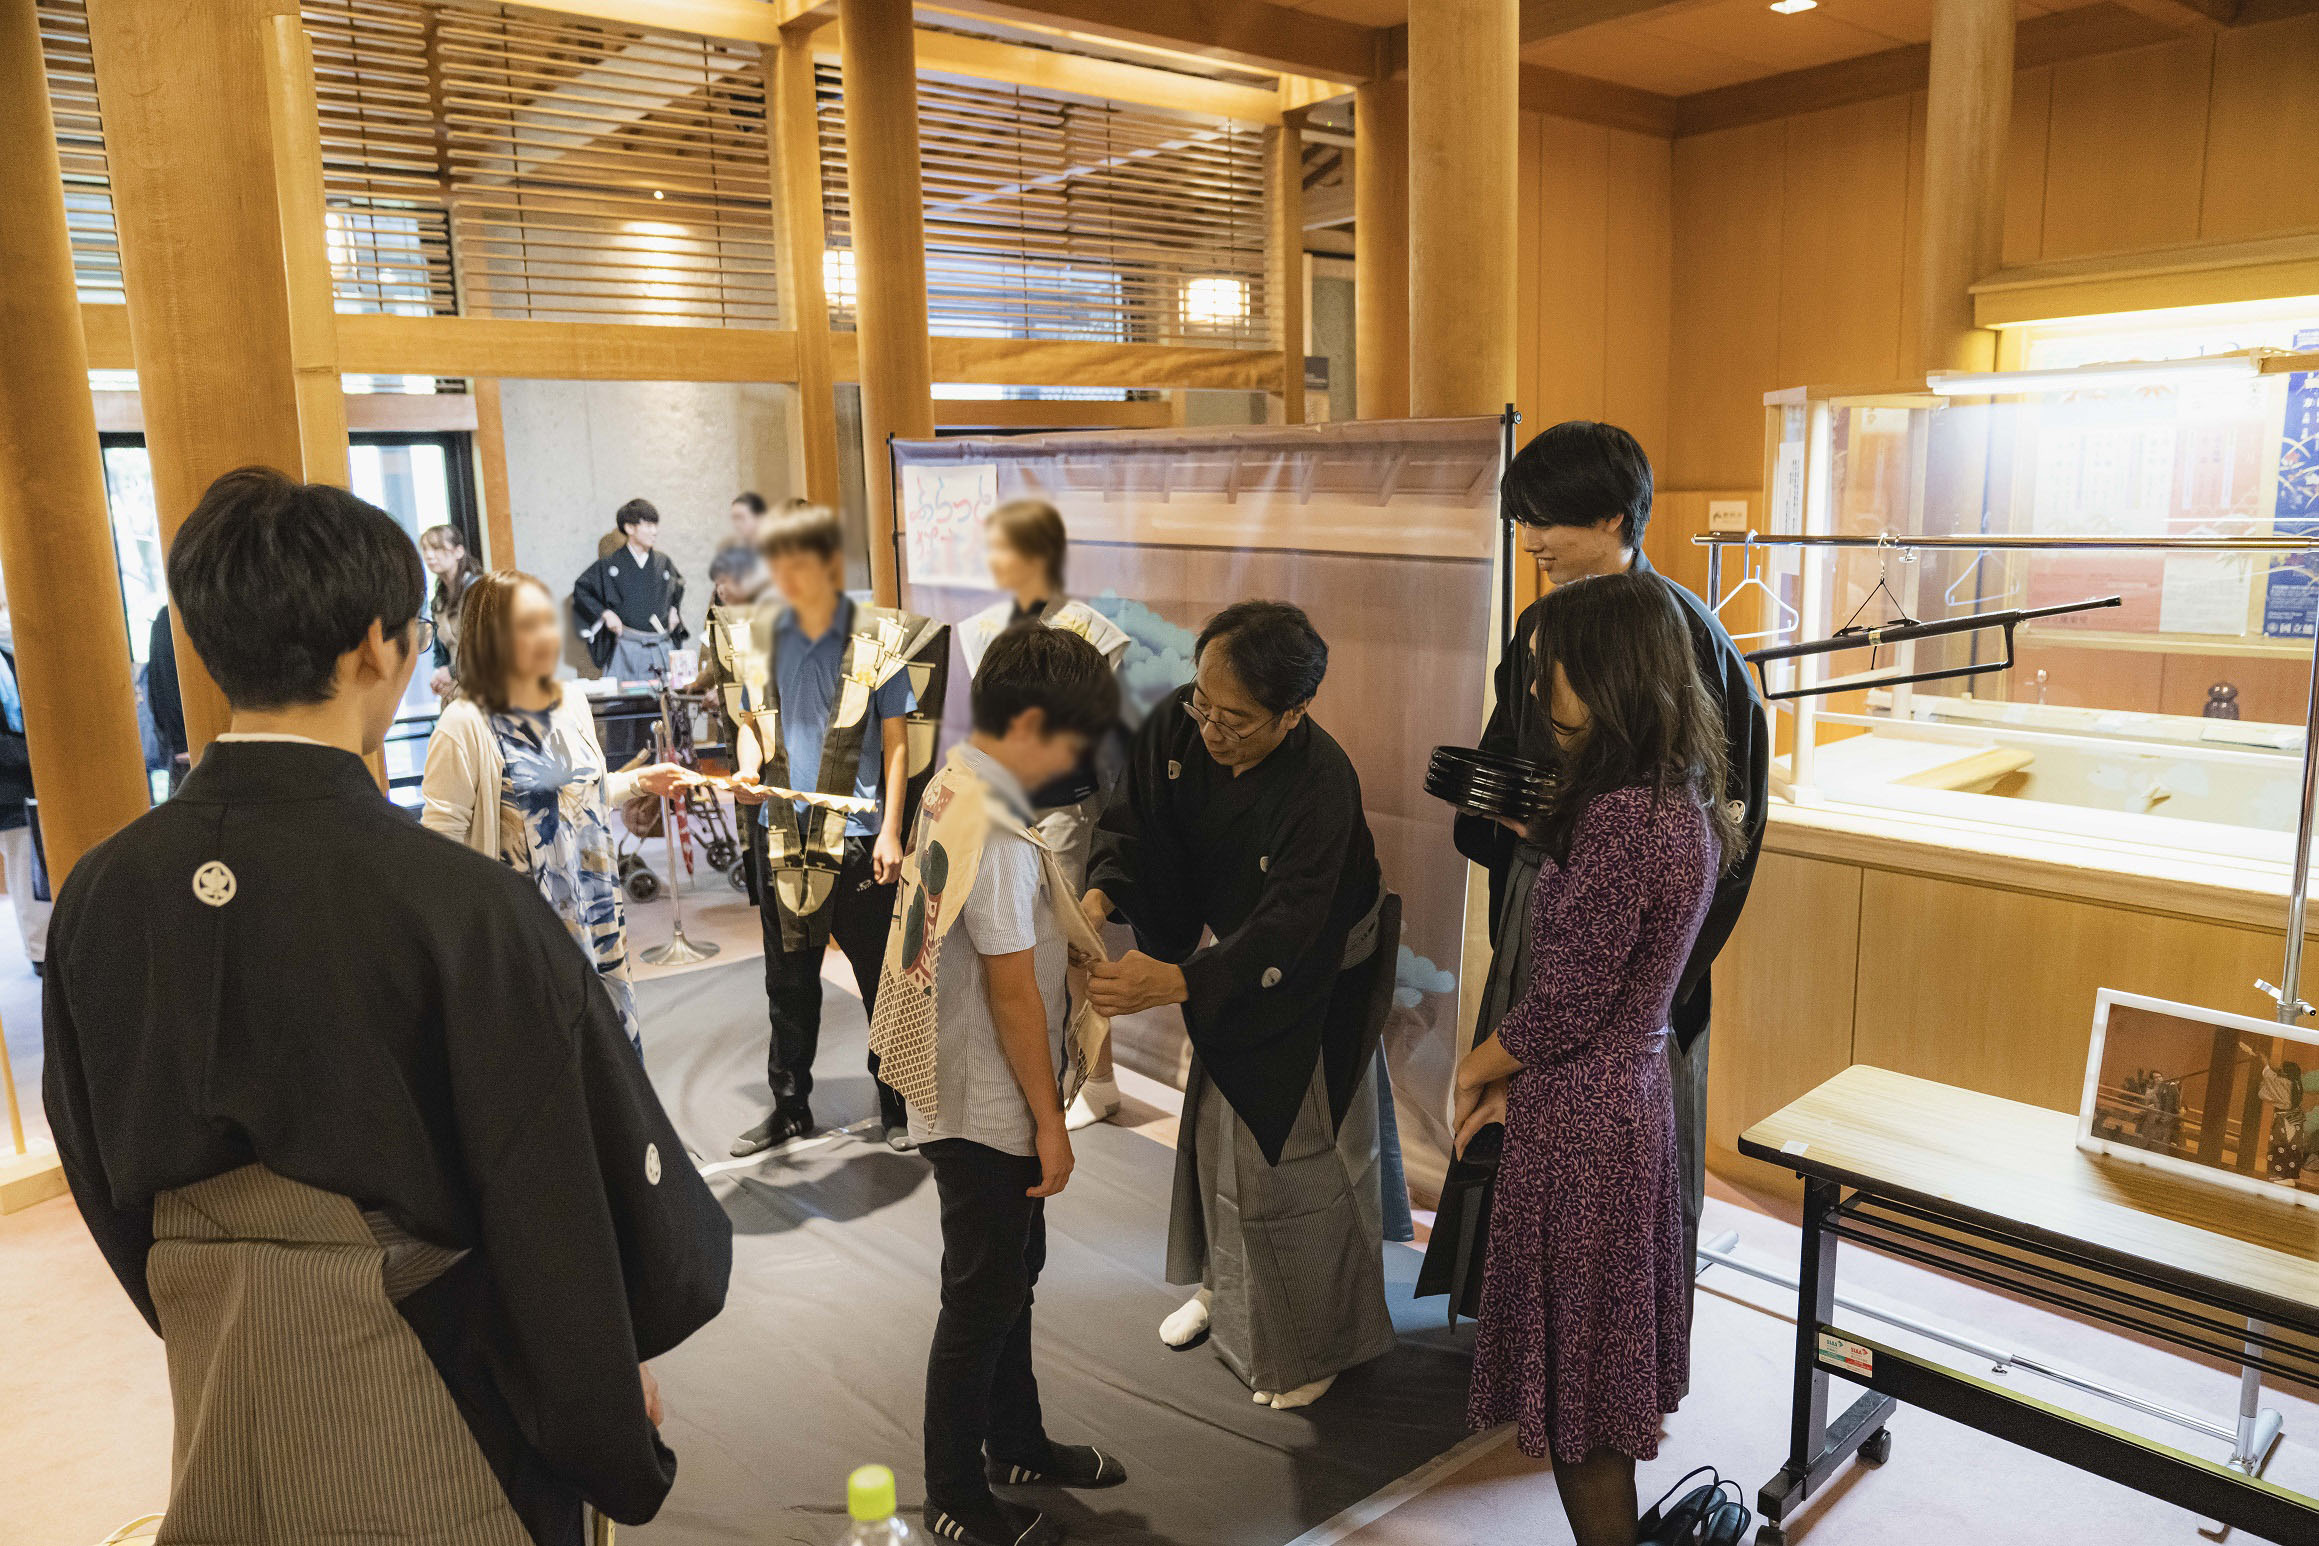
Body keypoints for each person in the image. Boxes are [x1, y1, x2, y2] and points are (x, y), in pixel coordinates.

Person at [41, 467, 731, 1546]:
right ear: (376, 646)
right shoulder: (459, 906)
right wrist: (602, 1404)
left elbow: (94, 1160)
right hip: (432, 1387)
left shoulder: (99, 891)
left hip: (219, 1369)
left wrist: (221, 1299)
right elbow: (552, 1200)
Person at [1454, 570, 1744, 1546]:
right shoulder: (1677, 796)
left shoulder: (1622, 818)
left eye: (1555, 669)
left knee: (1581, 1398)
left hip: (1583, 1120)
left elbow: (1566, 1004)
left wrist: (1475, 1068)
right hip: (1629, 1097)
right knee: (1599, 1374)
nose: (1542, 689)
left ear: (1611, 673)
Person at [1449, 421, 1768, 1304]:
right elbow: (1511, 754)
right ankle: (1520, 1315)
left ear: (1612, 518)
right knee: (1516, 1113)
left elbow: (1728, 818)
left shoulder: (1684, 632)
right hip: (1544, 892)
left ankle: (1610, 1322)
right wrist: (1502, 810)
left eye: (1544, 520)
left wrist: (1665, 970)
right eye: (1522, 521)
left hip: (1641, 957)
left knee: (1611, 1155)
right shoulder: (1541, 624)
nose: (1529, 541)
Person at [1083, 601, 1397, 1411]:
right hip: (1232, 957)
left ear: (1294, 712)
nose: (1213, 730)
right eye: (1205, 705)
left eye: (1238, 719)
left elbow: (1294, 922)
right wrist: (1095, 897)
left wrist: (1179, 981)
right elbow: (1129, 826)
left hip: (1314, 967)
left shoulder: (1322, 782)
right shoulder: (1177, 724)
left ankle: (1321, 1342)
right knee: (1215, 1137)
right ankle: (1222, 1290)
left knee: (1293, 1149)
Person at [871, 626, 1125, 1546]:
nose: (1078, 759)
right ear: (1029, 723)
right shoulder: (1000, 833)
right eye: (1073, 738)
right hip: (984, 1100)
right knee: (981, 1295)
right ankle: (953, 1491)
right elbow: (1014, 992)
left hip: (964, 1082)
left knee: (1012, 1275)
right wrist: (1050, 1123)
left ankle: (1015, 1442)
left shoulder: (955, 779)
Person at [728, 504, 950, 1157]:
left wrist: (891, 830)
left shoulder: (874, 637)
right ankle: (788, 1107)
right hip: (782, 832)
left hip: (856, 834)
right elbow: (752, 723)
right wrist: (747, 771)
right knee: (787, 978)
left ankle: (896, 1103)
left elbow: (897, 746)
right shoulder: (760, 638)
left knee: (879, 973)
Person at [420, 570, 689, 1055]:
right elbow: (437, 852)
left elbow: (579, 798)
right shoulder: (462, 724)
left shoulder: (570, 701)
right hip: (520, 932)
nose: (547, 634)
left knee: (606, 1057)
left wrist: (639, 782)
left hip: (596, 911)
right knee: (544, 1059)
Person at [957, 500, 1131, 1130]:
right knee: (1012, 942)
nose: (997, 561)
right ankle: (1044, 1069)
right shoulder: (979, 628)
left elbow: (1096, 733)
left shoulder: (1091, 630)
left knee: (1075, 942)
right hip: (1002, 804)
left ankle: (1099, 1079)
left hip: (1064, 804)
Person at [574, 497, 688, 682]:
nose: (655, 531)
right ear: (629, 528)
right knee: (625, 698)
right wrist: (605, 614)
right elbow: (582, 590)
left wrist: (674, 609)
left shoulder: (663, 562)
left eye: (655, 525)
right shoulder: (610, 565)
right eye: (648, 526)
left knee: (666, 697)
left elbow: (678, 586)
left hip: (661, 644)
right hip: (627, 646)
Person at [0, 640, 47, 974]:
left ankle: (46, 945)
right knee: (23, 870)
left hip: (29, 780)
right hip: (8, 786)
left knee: (36, 866)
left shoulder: (9, 657)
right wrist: (35, 750)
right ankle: (40, 950)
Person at [420, 524, 482, 699]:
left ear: (458, 552)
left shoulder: (480, 590)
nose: (429, 555)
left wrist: (452, 672)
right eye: (425, 549)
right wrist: (440, 673)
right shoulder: (438, 601)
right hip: (460, 688)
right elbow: (441, 652)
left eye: (437, 548)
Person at [147, 605, 190, 789]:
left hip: (181, 747)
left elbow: (156, 688)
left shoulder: (166, 617)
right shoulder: (173, 618)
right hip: (191, 746)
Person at [722, 490, 769, 556]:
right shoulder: (728, 554)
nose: (736, 524)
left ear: (759, 517)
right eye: (734, 518)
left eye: (740, 517)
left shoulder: (776, 551)